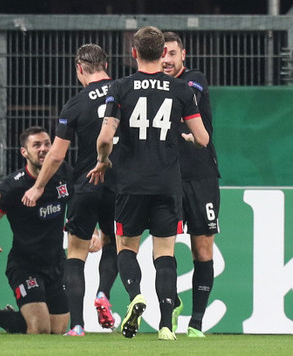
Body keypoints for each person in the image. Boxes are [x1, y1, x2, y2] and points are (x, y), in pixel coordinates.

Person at [86, 26, 209, 341]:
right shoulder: (181, 90)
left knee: (126, 247)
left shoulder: (121, 87)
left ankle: (135, 297)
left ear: (134, 53)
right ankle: (167, 324)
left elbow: (104, 138)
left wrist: (103, 159)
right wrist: (188, 139)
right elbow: (202, 137)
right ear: (162, 53)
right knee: (165, 253)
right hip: (168, 183)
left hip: (131, 182)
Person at [21, 44, 119, 336]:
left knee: (76, 254)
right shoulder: (124, 92)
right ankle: (104, 294)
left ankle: (77, 325)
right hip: (120, 184)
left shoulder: (75, 104)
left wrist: (38, 187)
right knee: (115, 244)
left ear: (79, 68)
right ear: (106, 64)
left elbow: (57, 155)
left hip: (86, 185)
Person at [0, 126, 72, 335]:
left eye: (47, 143)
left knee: (58, 330)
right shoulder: (13, 186)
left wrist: (92, 233)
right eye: (36, 145)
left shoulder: (64, 173)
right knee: (39, 329)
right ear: (24, 152)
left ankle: (8, 315)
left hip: (56, 264)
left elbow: (78, 206)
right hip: (25, 267)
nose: (44, 149)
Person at [163, 31, 221, 338]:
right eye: (161, 54)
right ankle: (170, 303)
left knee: (202, 249)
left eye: (172, 53)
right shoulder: (153, 88)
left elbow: (188, 95)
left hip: (200, 176)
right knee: (165, 247)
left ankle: (196, 322)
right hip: (166, 177)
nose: (167, 59)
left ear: (182, 55)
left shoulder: (195, 80)